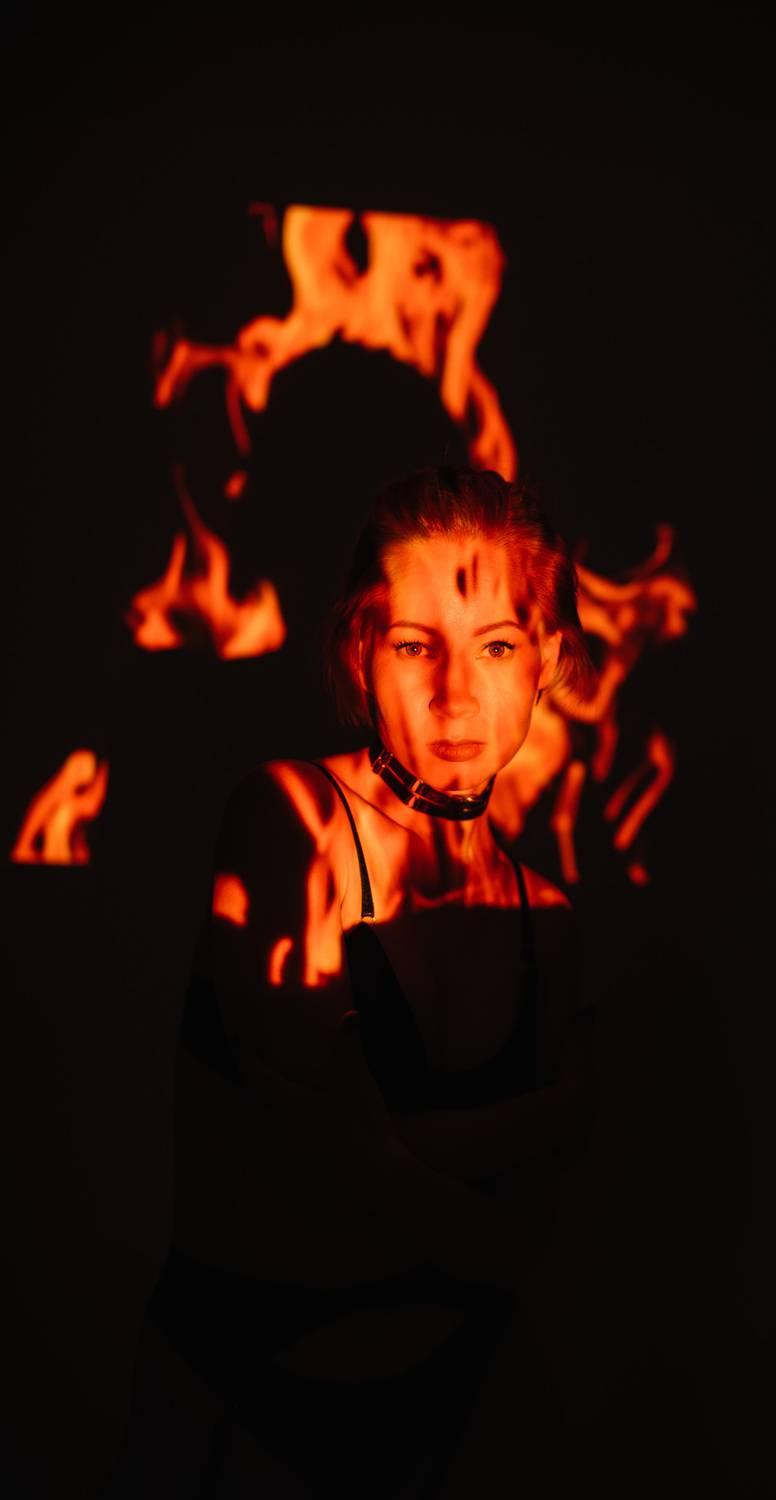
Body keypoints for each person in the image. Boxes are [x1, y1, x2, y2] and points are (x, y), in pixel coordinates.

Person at [150, 466, 599, 1499]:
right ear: (359, 650)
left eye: (496, 646)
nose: (456, 695)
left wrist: (398, 1150)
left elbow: (377, 1159)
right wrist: (545, 1129)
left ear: (550, 658)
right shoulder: (288, 820)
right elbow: (330, 1164)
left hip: (455, 1409)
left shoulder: (547, 917)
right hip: (246, 1410)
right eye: (414, 646)